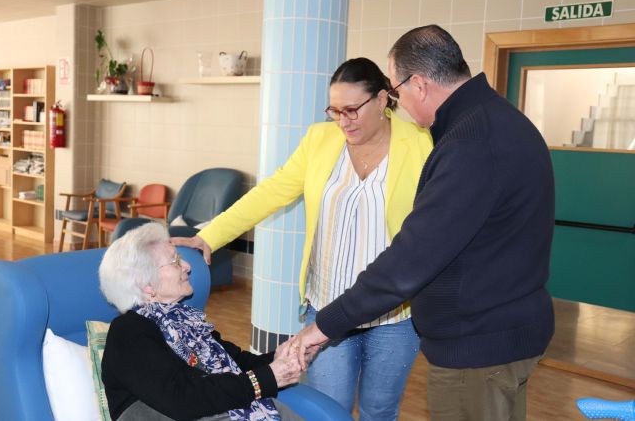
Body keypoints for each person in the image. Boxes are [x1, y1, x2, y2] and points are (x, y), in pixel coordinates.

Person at [292, 25, 556, 421]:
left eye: (395, 94)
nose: (400, 105)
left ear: (419, 84)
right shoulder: (497, 121)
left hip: (479, 349)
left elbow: (411, 258)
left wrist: (323, 325)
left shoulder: (470, 143)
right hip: (501, 337)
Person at [173, 57, 434, 420]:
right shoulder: (320, 139)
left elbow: (437, 225)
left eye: (353, 110)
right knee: (326, 410)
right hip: (328, 308)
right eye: (335, 110)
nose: (343, 121)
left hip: (395, 314)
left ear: (382, 99)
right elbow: (271, 192)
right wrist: (210, 236)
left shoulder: (421, 144)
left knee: (380, 410)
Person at [99, 222, 305, 421]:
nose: (187, 266)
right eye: (175, 261)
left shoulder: (185, 323)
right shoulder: (129, 332)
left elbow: (238, 362)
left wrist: (279, 359)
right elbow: (181, 400)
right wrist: (262, 380)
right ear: (147, 285)